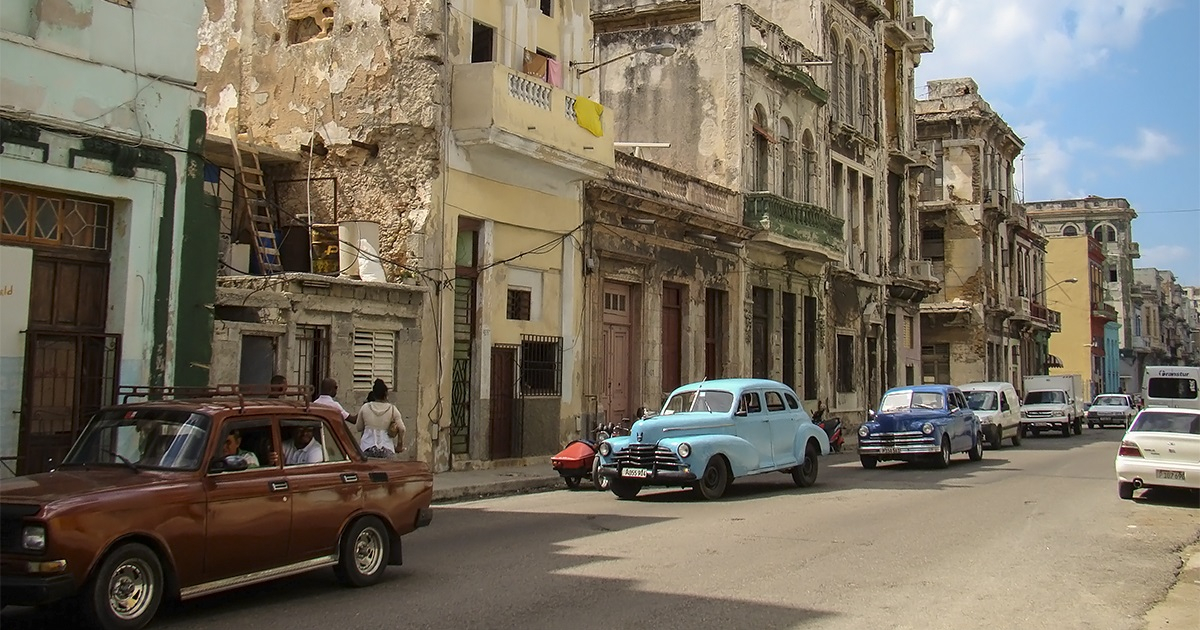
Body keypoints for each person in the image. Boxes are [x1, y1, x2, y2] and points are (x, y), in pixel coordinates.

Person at [356, 379, 406, 458]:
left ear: (374, 394)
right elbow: (402, 429)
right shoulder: (392, 409)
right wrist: (399, 446)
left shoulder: (365, 407)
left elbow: (359, 428)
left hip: (367, 448)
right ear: (386, 394)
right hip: (386, 448)